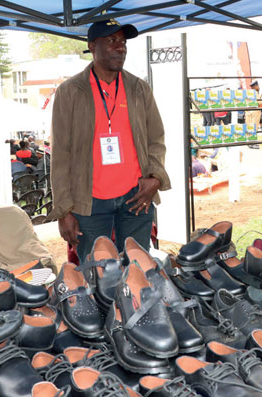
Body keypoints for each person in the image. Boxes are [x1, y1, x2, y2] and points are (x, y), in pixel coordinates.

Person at [51, 18, 170, 257]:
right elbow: (60, 154)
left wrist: (156, 177)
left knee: (138, 265)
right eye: (112, 40)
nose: (120, 47)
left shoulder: (139, 88)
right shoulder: (70, 91)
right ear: (92, 46)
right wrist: (63, 210)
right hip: (89, 202)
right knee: (97, 270)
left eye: (123, 42)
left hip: (136, 196)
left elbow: (156, 139)